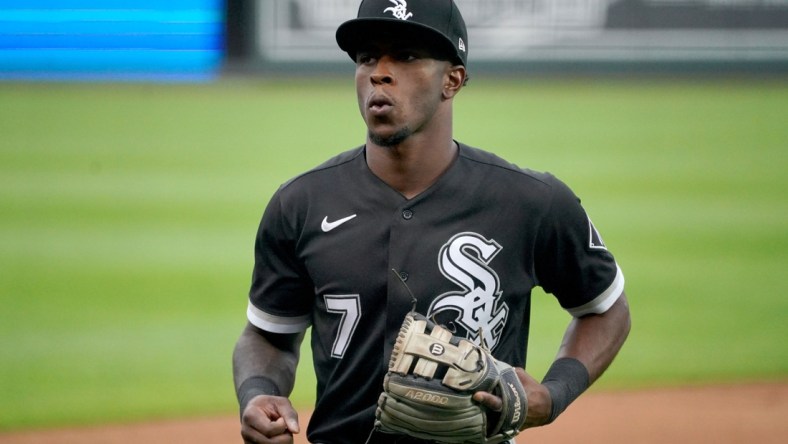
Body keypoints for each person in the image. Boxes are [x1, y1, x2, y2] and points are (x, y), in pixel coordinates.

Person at [232, 0, 631, 443]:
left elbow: (606, 308)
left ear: (453, 79)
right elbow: (269, 335)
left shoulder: (530, 201)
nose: (380, 73)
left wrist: (554, 395)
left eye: (405, 57)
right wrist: (258, 392)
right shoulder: (300, 203)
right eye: (367, 59)